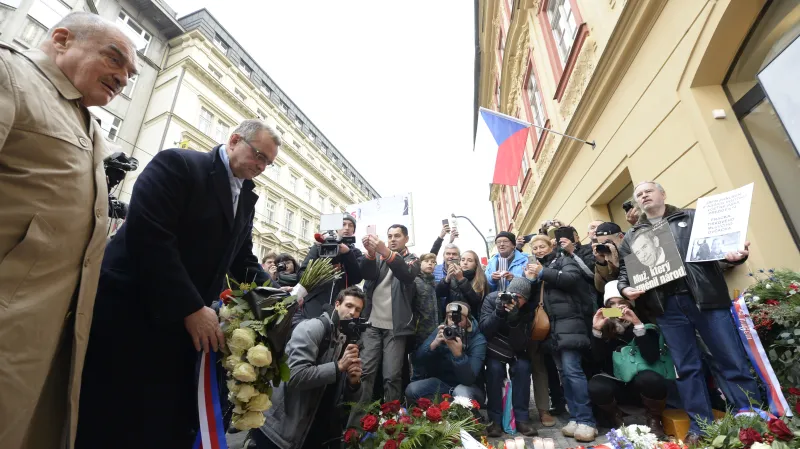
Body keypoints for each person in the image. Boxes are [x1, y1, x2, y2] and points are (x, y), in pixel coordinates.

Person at [76, 119, 278, 449]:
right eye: (259, 155)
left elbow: (241, 260)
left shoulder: (245, 198)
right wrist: (190, 306)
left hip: (179, 326)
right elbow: (151, 236)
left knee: (153, 419)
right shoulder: (180, 164)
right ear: (234, 140)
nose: (262, 166)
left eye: (268, 162)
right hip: (131, 313)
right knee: (109, 414)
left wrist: (276, 293)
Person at [0, 12, 137, 449]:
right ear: (60, 40)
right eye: (114, 59)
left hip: (51, 338)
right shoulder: (12, 75)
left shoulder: (88, 123)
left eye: (131, 74)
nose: (122, 79)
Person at [618, 181, 756, 443]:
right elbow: (625, 272)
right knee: (686, 368)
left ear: (663, 194)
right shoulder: (633, 236)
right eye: (638, 194)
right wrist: (625, 289)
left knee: (730, 358)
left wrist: (734, 256)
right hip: (666, 307)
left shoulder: (693, 217)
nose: (643, 195)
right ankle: (700, 427)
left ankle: (750, 417)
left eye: (648, 190)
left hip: (704, 299)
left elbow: (720, 250)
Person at [247, 287, 365, 449]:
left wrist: (353, 384)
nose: (353, 312)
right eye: (349, 306)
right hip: (281, 434)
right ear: (337, 304)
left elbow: (344, 399)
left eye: (358, 309)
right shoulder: (313, 328)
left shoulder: (348, 340)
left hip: (314, 433)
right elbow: (294, 377)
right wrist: (338, 367)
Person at [526, 235, 597, 442]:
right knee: (564, 374)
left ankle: (587, 420)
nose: (539, 250)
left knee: (573, 372)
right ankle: (575, 417)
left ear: (551, 246)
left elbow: (572, 279)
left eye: (542, 246)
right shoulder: (539, 268)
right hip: (553, 330)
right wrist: (531, 280)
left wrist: (543, 272)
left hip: (570, 324)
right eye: (535, 248)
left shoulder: (564, 260)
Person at [349, 225, 419, 425]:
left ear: (406, 238)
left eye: (397, 236)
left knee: (392, 376)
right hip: (371, 324)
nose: (393, 239)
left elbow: (406, 274)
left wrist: (384, 251)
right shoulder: (379, 257)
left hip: (396, 329)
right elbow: (367, 275)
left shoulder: (412, 258)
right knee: (365, 373)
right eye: (389, 236)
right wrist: (371, 254)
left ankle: (391, 425)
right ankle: (356, 427)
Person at [589, 281, 668, 437]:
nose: (617, 307)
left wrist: (637, 325)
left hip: (640, 382)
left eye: (622, 303)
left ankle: (654, 418)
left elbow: (652, 357)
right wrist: (597, 331)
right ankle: (616, 417)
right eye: (612, 304)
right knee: (597, 386)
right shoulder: (604, 325)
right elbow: (596, 360)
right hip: (616, 382)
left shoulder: (643, 324)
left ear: (630, 304)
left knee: (651, 379)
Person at [480, 278, 538, 437]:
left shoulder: (528, 310)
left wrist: (514, 321)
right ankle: (495, 420)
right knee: (494, 369)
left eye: (519, 298)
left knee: (523, 368)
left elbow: (521, 344)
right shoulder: (492, 299)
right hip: (493, 348)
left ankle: (521, 418)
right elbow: (484, 330)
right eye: (511, 295)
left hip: (516, 349)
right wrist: (498, 313)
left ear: (525, 300)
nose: (513, 299)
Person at [406, 301, 487, 403]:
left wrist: (458, 355)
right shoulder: (442, 331)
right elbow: (418, 361)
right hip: (442, 383)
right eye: (450, 318)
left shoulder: (478, 340)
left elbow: (468, 380)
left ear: (468, 321)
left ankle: (455, 409)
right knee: (412, 389)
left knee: (460, 392)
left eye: (459, 319)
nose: (454, 322)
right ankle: (443, 408)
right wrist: (432, 345)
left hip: (469, 387)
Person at [293, 215, 364, 324]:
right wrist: (323, 271)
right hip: (315, 301)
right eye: (343, 224)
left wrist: (348, 254)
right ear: (336, 228)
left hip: (342, 304)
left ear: (354, 230)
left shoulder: (355, 253)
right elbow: (301, 274)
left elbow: (356, 278)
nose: (347, 228)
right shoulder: (319, 246)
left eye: (350, 225)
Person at [436, 249, 489, 318]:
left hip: (471, 319)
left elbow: (476, 301)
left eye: (469, 260)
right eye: (463, 260)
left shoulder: (480, 279)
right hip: (451, 317)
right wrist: (446, 279)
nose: (465, 263)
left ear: (476, 264)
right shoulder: (453, 277)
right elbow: (439, 293)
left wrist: (461, 279)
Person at [412, 253, 440, 352]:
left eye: (433, 262)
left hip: (433, 328)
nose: (430, 264)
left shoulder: (433, 282)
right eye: (427, 261)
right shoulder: (415, 281)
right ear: (420, 263)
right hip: (419, 329)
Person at [592, 222, 625, 294]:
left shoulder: (632, 248)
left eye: (608, 242)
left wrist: (617, 263)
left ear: (621, 237)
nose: (606, 246)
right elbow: (601, 288)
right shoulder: (606, 256)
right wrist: (601, 263)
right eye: (602, 243)